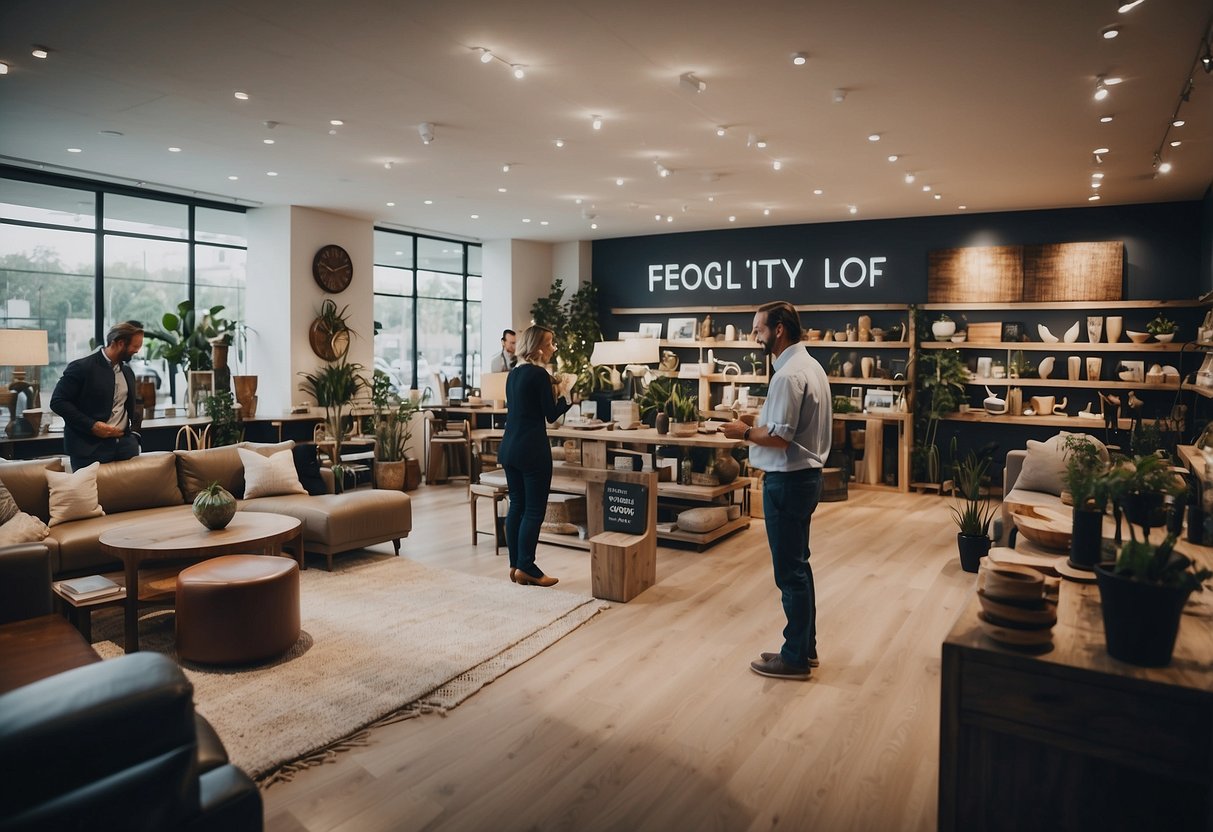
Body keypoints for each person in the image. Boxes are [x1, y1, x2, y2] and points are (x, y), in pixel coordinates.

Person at [722, 301, 832, 680]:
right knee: (799, 565)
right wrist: (759, 422)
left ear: (779, 329)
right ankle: (804, 647)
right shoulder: (810, 367)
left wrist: (744, 432)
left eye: (758, 329)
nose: (755, 336)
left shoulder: (787, 375)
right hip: (806, 479)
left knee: (789, 573)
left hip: (787, 481)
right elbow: (790, 426)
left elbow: (781, 439)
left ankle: (794, 658)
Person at [497, 325, 574, 587]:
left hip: (509, 447)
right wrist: (566, 394)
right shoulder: (540, 375)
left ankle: (515, 564)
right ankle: (527, 567)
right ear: (539, 348)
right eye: (550, 343)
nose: (554, 348)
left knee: (517, 505)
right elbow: (551, 416)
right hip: (532, 449)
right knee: (533, 510)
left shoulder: (513, 374)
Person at [51, 320, 145, 472]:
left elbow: (136, 405)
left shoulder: (128, 372)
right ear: (120, 343)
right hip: (89, 450)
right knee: (91, 496)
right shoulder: (81, 367)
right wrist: (92, 426)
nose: (137, 351)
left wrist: (134, 435)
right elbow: (58, 402)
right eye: (135, 346)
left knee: (128, 495)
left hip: (125, 448)